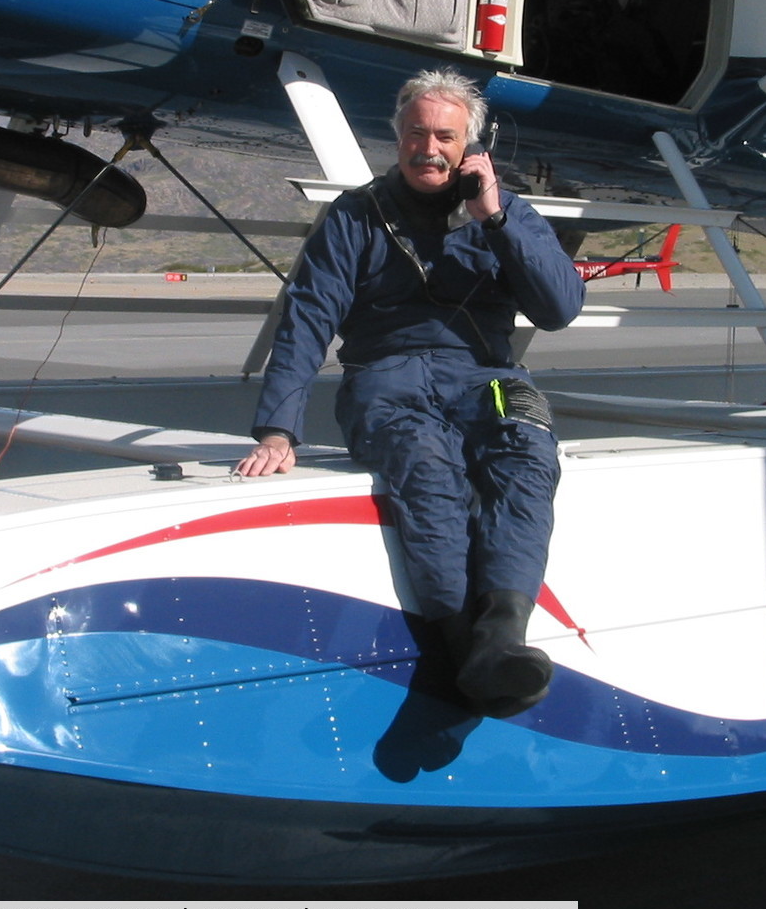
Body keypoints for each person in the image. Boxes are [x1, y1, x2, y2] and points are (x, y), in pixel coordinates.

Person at [240, 70, 585, 716]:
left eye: (445, 136)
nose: (429, 147)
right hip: (386, 378)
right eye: (416, 133)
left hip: (491, 378)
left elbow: (560, 308)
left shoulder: (508, 211)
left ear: (470, 146)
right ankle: (466, 647)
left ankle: (502, 636)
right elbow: (308, 318)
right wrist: (278, 428)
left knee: (527, 455)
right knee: (427, 472)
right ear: (397, 138)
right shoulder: (353, 217)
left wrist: (498, 219)